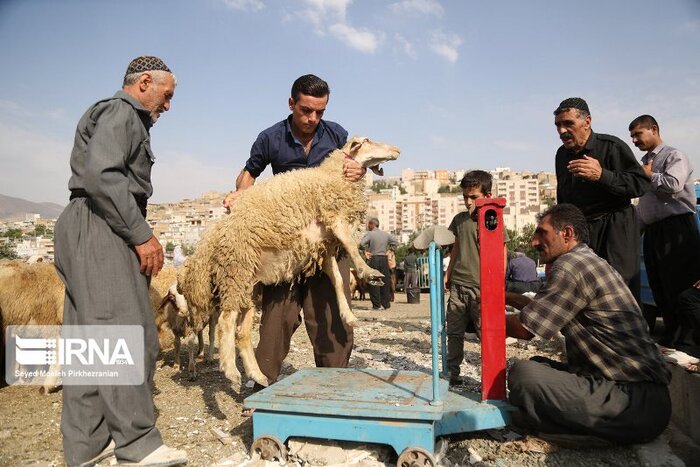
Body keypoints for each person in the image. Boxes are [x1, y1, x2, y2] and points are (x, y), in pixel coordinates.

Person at [53, 56, 187, 466]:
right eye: (166, 96)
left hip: (87, 222)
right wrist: (142, 234)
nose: (167, 107)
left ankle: (88, 446)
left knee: (88, 345)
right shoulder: (122, 112)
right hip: (101, 224)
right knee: (126, 334)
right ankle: (138, 444)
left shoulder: (113, 114)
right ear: (145, 82)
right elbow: (103, 176)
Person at [221, 74, 365, 391]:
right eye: (306, 110)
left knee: (330, 319)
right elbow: (249, 175)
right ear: (291, 103)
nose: (312, 118)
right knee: (277, 320)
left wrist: (358, 170)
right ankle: (261, 386)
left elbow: (354, 170)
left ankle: (333, 386)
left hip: (325, 243)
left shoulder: (337, 134)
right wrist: (239, 197)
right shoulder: (270, 138)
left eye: (319, 112)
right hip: (284, 243)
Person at [506, 204, 671, 445]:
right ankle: (563, 424)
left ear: (567, 234)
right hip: (642, 399)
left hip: (632, 402)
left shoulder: (570, 266)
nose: (533, 242)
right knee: (538, 365)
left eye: (542, 232)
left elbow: (525, 329)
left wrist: (482, 317)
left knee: (524, 374)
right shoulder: (585, 260)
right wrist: (505, 297)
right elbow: (541, 308)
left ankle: (576, 430)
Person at [554, 97, 649, 303]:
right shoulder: (561, 155)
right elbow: (563, 196)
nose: (562, 131)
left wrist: (602, 176)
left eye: (568, 123)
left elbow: (640, 184)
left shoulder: (612, 146)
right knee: (583, 290)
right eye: (558, 125)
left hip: (616, 228)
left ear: (587, 122)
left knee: (619, 290)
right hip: (583, 232)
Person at [629, 114, 700, 345]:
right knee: (659, 286)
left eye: (638, 134)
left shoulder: (673, 155)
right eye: (632, 136)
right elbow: (645, 205)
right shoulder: (643, 164)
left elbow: (673, 184)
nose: (634, 140)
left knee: (678, 283)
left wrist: (648, 174)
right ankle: (672, 336)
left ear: (654, 129)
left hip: (676, 230)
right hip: (653, 232)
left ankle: (689, 340)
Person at [444, 170, 508, 387]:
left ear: (488, 195)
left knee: (487, 333)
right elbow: (456, 247)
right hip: (458, 285)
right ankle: (452, 374)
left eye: (474, 197)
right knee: (454, 332)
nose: (468, 202)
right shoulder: (459, 220)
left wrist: (498, 283)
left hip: (483, 287)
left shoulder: (493, 219)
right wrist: (448, 273)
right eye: (465, 197)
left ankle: (492, 379)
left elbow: (502, 252)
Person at [360, 218, 398, 310]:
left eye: (369, 225)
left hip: (374, 259)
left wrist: (365, 251)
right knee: (385, 281)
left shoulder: (370, 234)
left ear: (372, 224)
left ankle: (376, 305)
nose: (368, 226)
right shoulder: (386, 234)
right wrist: (390, 250)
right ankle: (386, 304)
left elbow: (361, 244)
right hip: (384, 259)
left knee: (374, 282)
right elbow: (396, 243)